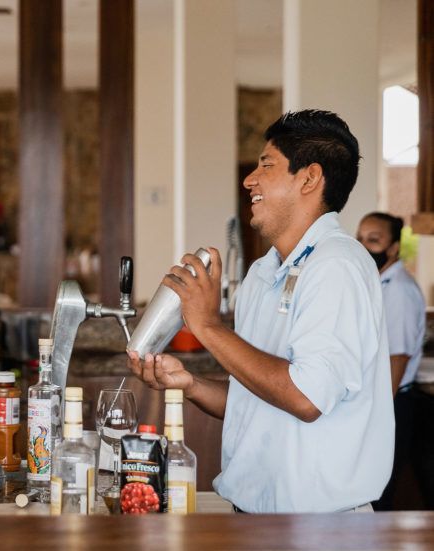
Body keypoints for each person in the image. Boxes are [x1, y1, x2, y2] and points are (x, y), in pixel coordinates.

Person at [127, 110, 394, 513]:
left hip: (320, 529)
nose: (250, 179)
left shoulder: (336, 264)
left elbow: (305, 397)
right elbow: (257, 395)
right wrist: (191, 384)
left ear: (309, 178)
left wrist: (208, 325)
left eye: (266, 165)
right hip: (253, 518)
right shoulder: (262, 272)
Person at [357, 212, 425, 510]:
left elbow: (397, 359)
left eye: (374, 240)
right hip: (379, 400)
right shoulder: (379, 282)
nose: (364, 246)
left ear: (395, 247)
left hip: (392, 403)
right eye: (360, 239)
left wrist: (375, 415)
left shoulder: (399, 290)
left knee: (376, 495)